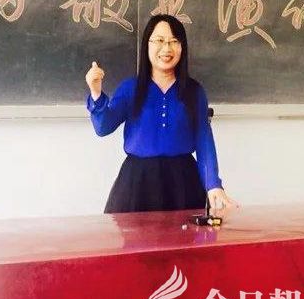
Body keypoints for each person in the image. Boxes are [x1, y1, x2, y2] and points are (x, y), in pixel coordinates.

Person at [86, 14, 233, 213]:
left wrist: (213, 184)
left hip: (183, 183)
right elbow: (103, 127)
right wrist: (96, 92)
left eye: (174, 41)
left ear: (182, 48)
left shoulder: (194, 91)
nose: (166, 48)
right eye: (159, 40)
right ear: (147, 45)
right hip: (137, 183)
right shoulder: (131, 88)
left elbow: (203, 139)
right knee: (134, 234)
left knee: (185, 233)